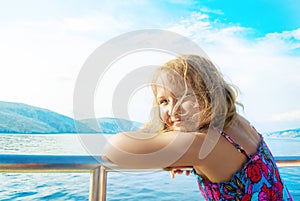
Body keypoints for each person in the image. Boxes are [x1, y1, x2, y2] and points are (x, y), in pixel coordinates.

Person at [104, 55, 293, 200]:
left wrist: (179, 149)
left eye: (184, 96)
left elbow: (115, 149)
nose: (173, 109)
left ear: (209, 94)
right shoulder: (237, 122)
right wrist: (186, 157)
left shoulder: (202, 143)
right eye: (163, 101)